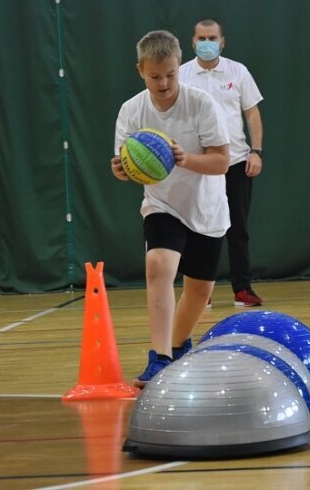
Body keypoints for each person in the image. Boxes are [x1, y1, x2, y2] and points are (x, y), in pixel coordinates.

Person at [111, 30, 231, 388]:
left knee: (199, 291)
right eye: (154, 76)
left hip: (206, 208)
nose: (163, 83)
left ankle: (178, 347)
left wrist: (185, 158)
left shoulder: (201, 104)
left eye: (170, 74)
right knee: (158, 264)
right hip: (162, 204)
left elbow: (222, 162)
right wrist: (121, 170)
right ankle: (159, 356)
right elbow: (124, 165)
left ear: (179, 67)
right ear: (140, 71)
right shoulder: (132, 110)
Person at [179, 18, 265, 308]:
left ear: (222, 41)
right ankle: (201, 292)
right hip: (199, 165)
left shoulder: (238, 71)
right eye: (201, 38)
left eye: (212, 38)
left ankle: (242, 288)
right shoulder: (181, 75)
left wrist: (256, 151)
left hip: (237, 162)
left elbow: (252, 113)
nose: (207, 43)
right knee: (198, 228)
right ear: (192, 42)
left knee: (238, 229)